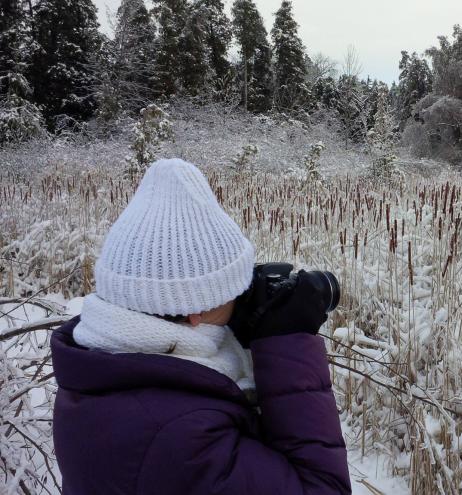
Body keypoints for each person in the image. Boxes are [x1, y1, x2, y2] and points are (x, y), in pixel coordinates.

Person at [50, 158, 351, 494]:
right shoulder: (180, 437)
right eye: (231, 288)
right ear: (194, 311)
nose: (240, 296)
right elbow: (324, 488)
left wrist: (238, 333)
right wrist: (286, 342)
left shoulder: (100, 371)